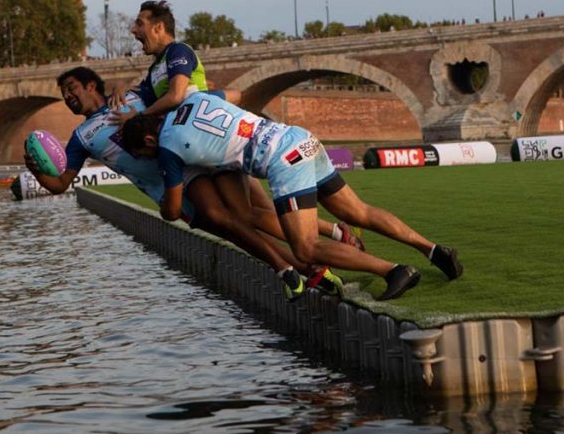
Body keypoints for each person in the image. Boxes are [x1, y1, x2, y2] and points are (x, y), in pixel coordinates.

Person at [26, 67, 359, 300]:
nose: (67, 96)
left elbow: (177, 92)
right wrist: (35, 168)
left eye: (71, 88)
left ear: (90, 85)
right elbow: (60, 184)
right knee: (235, 225)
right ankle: (311, 263)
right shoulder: (79, 138)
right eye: (63, 93)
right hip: (167, 185)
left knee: (237, 216)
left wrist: (125, 87)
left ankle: (293, 266)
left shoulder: (134, 96)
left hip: (198, 159)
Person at [120, 92, 463, 301]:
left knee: (305, 247)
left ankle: (393, 270)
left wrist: (164, 199)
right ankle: (433, 250)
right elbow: (236, 94)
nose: (148, 159)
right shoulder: (195, 98)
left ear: (149, 142)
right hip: (298, 136)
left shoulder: (165, 148)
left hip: (283, 161)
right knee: (359, 211)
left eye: (143, 155)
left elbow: (175, 208)